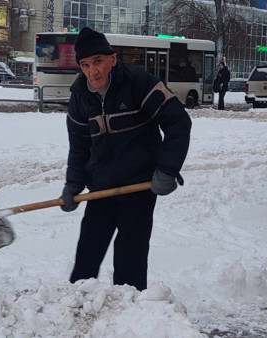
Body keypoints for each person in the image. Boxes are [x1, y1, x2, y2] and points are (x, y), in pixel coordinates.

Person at [60, 27, 192, 291]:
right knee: (87, 257)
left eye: (97, 61)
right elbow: (79, 147)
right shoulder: (80, 97)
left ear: (112, 59)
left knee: (130, 260)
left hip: (139, 186)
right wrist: (73, 184)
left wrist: (166, 169)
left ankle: (130, 318)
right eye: (85, 65)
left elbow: (178, 122)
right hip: (101, 189)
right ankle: (77, 311)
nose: (92, 71)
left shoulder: (139, 83)